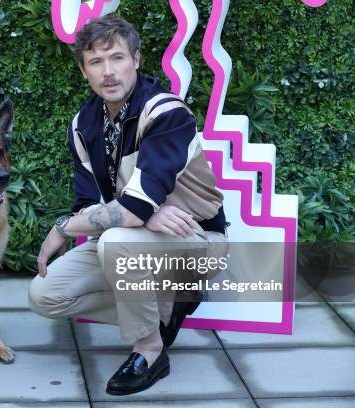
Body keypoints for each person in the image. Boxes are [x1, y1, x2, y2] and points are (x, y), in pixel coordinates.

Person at [28, 15, 228, 396]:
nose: (108, 72)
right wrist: (142, 214)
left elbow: (127, 212)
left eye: (117, 58)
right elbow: (88, 205)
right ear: (84, 70)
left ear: (136, 59)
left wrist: (64, 227)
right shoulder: (83, 126)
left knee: (116, 240)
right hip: (135, 240)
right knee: (45, 294)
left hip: (198, 240)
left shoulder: (166, 113)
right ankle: (167, 304)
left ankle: (150, 350)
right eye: (96, 62)